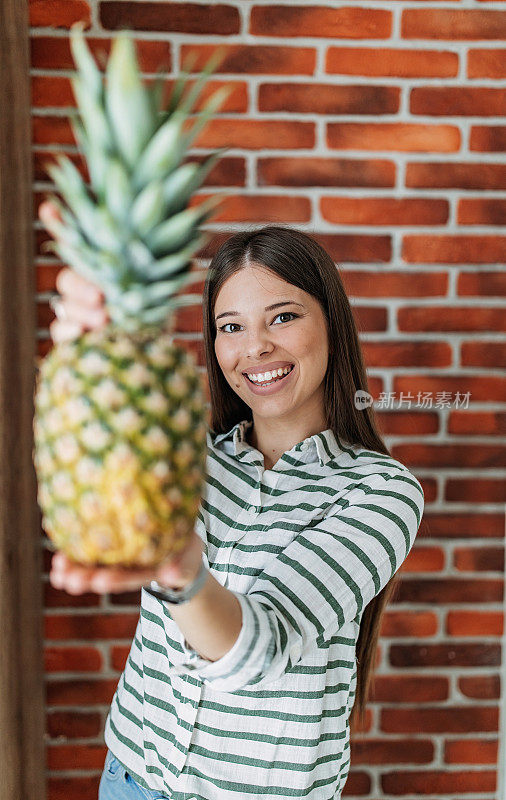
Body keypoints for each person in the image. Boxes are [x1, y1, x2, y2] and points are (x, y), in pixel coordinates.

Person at [41, 202, 424, 800]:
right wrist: (86, 344)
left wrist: (185, 574)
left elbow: (258, 649)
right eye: (231, 326)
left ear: (333, 323)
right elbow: (91, 441)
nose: (256, 348)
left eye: (282, 317)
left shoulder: (379, 493)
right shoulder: (185, 458)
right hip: (129, 777)